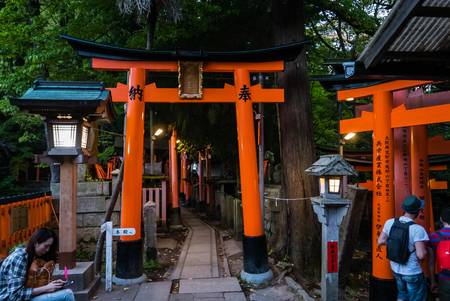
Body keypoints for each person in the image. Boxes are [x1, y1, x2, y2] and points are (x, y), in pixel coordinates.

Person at [0, 227, 75, 301]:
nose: (47, 250)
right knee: (67, 294)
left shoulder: (33, 256)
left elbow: (30, 284)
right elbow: (15, 296)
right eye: (46, 246)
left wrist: (53, 284)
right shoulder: (19, 259)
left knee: (61, 292)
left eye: (50, 247)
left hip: (27, 298)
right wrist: (46, 288)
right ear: (35, 243)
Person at [377, 195, 429, 301]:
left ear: (404, 209)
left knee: (402, 294)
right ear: (418, 211)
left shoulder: (390, 222)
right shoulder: (417, 229)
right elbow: (420, 254)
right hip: (412, 271)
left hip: (395, 268)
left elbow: (380, 241)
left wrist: (397, 245)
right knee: (416, 297)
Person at [427, 207, 450, 299]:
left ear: (441, 219)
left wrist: (433, 282)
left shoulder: (433, 237)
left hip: (444, 278)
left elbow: (431, 262)